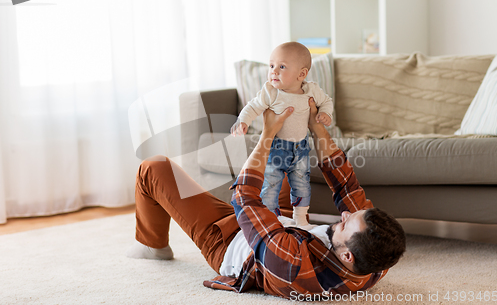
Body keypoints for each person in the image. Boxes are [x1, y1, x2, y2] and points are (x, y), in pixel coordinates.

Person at [126, 98, 406, 300]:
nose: (343, 215)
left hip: (233, 242)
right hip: (285, 227)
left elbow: (244, 198)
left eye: (346, 225)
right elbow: (347, 186)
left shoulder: (294, 265)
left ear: (347, 255)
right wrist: (316, 128)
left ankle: (153, 246)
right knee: (285, 161)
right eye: (351, 215)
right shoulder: (376, 257)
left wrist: (267, 134)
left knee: (153, 167)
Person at [231, 42, 333, 229]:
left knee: (302, 184)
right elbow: (253, 106)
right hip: (277, 147)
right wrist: (243, 121)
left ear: (301, 74)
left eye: (282, 66)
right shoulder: (271, 92)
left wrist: (325, 113)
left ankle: (301, 219)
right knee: (270, 185)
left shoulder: (311, 90)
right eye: (271, 66)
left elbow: (327, 101)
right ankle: (271, 220)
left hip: (300, 148)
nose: (274, 71)